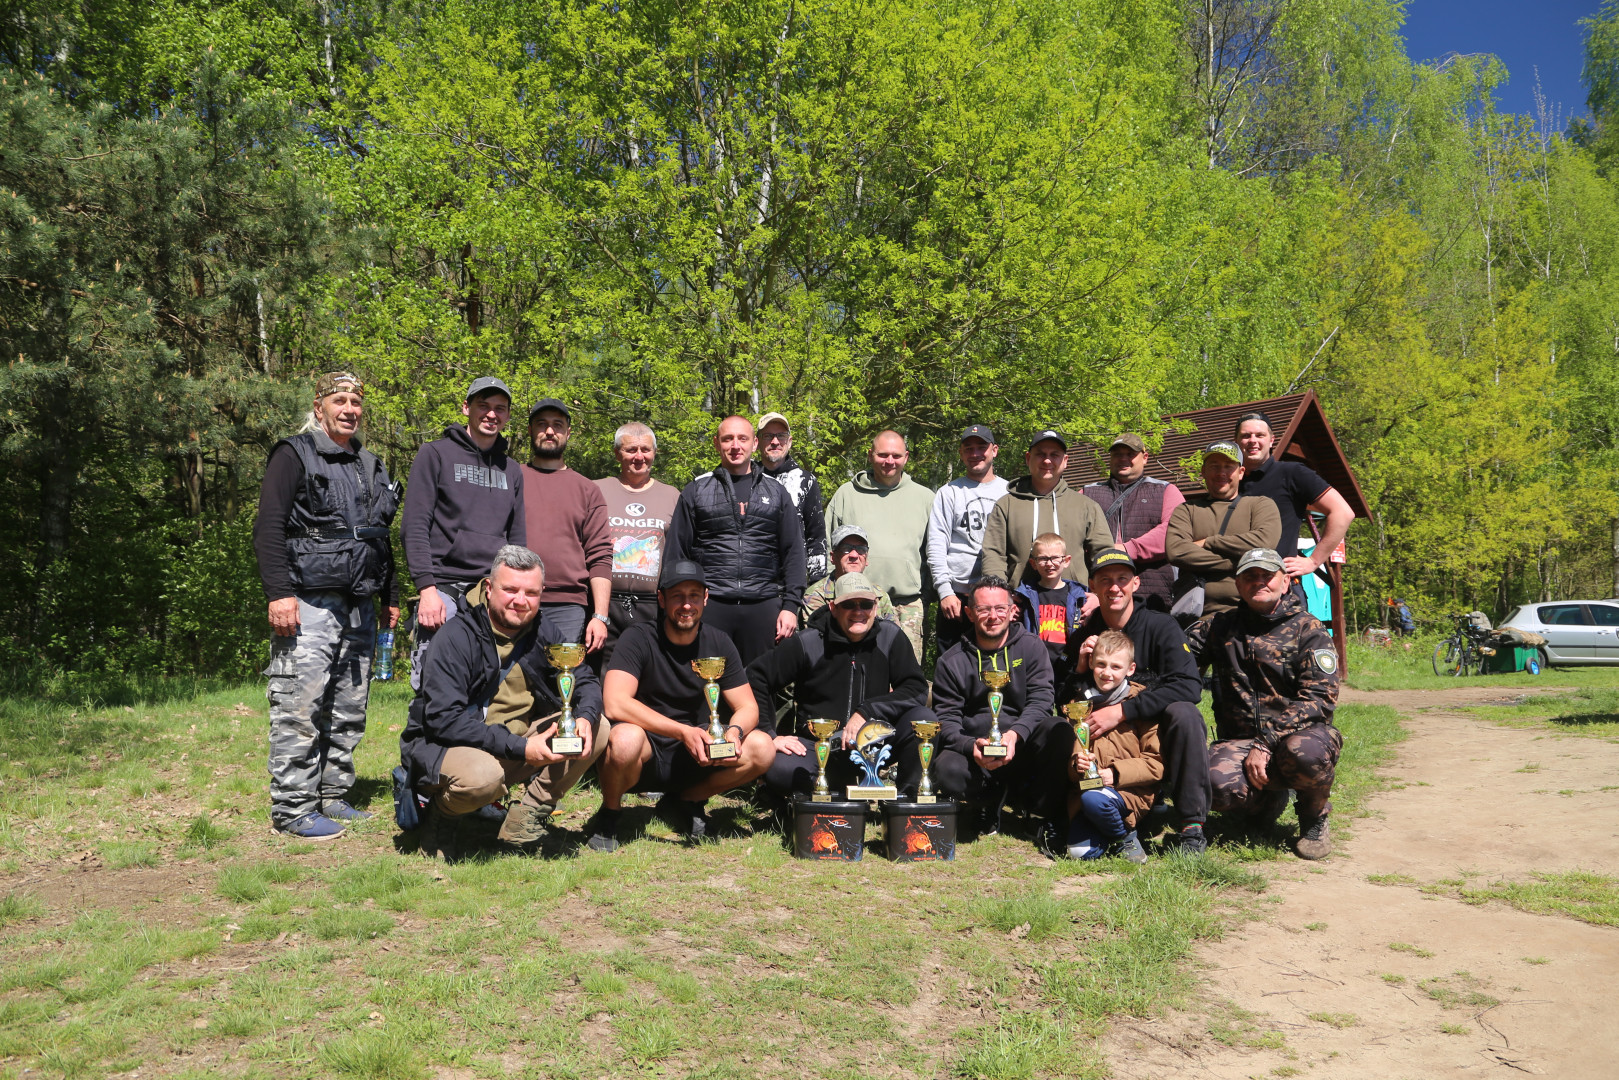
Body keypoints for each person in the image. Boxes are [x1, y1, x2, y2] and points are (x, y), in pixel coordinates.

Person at [253, 372, 400, 841]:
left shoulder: (369, 463)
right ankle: (293, 808)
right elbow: (268, 526)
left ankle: (333, 794)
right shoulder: (292, 454)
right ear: (319, 407)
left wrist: (390, 596)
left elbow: (380, 535)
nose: (349, 409)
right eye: (340, 400)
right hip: (306, 599)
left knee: (348, 706)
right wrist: (278, 593)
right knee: (299, 704)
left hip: (360, 601)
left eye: (356, 401)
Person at [400, 546, 609, 860]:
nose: (520, 601)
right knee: (482, 778)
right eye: (510, 589)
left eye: (531, 593)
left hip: (513, 746)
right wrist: (523, 748)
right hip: (448, 747)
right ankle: (442, 817)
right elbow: (444, 720)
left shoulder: (542, 629)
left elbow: (584, 679)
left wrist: (585, 716)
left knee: (598, 727)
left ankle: (527, 815)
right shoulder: (456, 636)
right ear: (489, 588)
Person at [587, 560, 775, 850]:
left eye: (694, 596)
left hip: (699, 753)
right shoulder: (638, 637)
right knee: (623, 739)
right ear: (661, 599)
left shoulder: (720, 643)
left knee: (763, 748)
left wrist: (734, 732)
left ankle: (686, 801)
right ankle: (610, 813)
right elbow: (614, 703)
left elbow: (748, 707)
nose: (686, 605)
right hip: (646, 750)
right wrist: (681, 732)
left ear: (706, 598)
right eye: (677, 596)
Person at [1188, 549, 1343, 860]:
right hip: (1240, 741)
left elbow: (1320, 698)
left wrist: (1266, 741)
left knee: (1306, 755)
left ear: (1285, 582)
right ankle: (1265, 804)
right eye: (1250, 576)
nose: (1259, 581)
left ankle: (1314, 816)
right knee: (1212, 784)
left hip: (1301, 736)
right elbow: (1177, 658)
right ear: (1238, 584)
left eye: (1267, 575)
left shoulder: (1308, 629)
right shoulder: (1219, 627)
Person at [1066, 549, 1211, 853]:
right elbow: (1065, 702)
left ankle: (1191, 825)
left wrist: (1123, 710)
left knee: (1185, 714)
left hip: (1153, 729)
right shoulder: (1085, 635)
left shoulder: (1162, 626)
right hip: (1108, 745)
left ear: (1136, 583)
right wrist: (1079, 669)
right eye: (1105, 580)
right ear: (1092, 586)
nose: (1114, 587)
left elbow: (1189, 685)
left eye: (1122, 579)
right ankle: (1061, 811)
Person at [749, 572, 930, 800]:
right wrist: (769, 735)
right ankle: (818, 795)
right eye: (849, 604)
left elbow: (916, 688)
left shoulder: (891, 637)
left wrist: (868, 711)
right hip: (817, 748)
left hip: (875, 746)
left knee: (924, 720)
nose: (858, 611)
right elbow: (756, 677)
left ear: (875, 607)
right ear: (833, 608)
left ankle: (907, 802)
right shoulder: (809, 642)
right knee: (779, 768)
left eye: (865, 604)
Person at [401, 376, 527, 687]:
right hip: (443, 591)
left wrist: (516, 592)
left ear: (508, 415)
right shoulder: (435, 454)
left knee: (486, 687)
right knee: (435, 686)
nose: (491, 414)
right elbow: (415, 526)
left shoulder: (511, 470)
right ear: (466, 408)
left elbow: (517, 541)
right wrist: (427, 590)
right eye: (483, 406)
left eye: (500, 408)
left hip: (490, 593)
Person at [666, 416, 806, 665]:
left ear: (754, 443)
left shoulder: (777, 493)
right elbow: (677, 554)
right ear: (716, 443)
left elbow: (793, 553)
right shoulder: (696, 491)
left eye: (742, 438)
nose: (735, 446)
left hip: (764, 605)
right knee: (707, 682)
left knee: (759, 683)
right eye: (727, 439)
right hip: (711, 604)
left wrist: (790, 606)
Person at [931, 575, 1059, 835]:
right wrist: (971, 746)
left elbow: (1042, 701)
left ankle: (1038, 810)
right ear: (969, 613)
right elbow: (946, 718)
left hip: (1022, 746)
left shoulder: (1032, 647)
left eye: (1000, 608)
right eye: (983, 609)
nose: (993, 616)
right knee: (946, 769)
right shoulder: (951, 660)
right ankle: (985, 801)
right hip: (976, 752)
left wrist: (1015, 735)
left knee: (1058, 730)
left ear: (1012, 611)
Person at [824, 431, 936, 659]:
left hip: (907, 605)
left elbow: (934, 553)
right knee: (856, 668)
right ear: (870, 455)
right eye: (882, 455)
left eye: (896, 455)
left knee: (906, 673)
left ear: (906, 457)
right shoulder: (846, 495)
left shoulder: (925, 498)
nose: (889, 461)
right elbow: (828, 549)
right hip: (856, 605)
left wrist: (925, 596)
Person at [521, 398, 613, 649]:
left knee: (560, 673)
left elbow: (600, 555)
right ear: (530, 430)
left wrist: (600, 616)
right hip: (514, 598)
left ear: (568, 432)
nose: (550, 431)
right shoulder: (512, 479)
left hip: (568, 606)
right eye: (542, 424)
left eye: (557, 425)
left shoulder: (587, 490)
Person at [1063, 631, 1159, 864]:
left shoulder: (1142, 703)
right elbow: (1073, 764)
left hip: (1129, 792)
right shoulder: (1078, 705)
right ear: (1091, 664)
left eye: (1116, 667)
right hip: (1087, 791)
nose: (1107, 673)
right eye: (1101, 665)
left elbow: (1155, 764)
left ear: (1130, 669)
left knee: (1096, 799)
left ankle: (1124, 837)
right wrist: (1077, 765)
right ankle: (1106, 830)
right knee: (1079, 853)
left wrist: (1114, 774)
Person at [1165, 441, 1283, 622]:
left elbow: (1264, 542)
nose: (1221, 473)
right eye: (1214, 466)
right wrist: (1242, 563)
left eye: (1228, 466)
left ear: (1241, 472)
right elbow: (1176, 552)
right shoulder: (1187, 510)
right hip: (1197, 617)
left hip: (1252, 616)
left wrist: (1208, 542)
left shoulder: (1260, 505)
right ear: (1203, 471)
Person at [981, 429, 1111, 593]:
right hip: (1020, 602)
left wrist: (1098, 595)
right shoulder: (1006, 505)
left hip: (1074, 602)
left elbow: (1103, 555)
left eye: (1054, 455)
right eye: (1040, 454)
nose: (1047, 460)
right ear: (1028, 458)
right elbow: (994, 554)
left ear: (1065, 461)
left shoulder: (1086, 506)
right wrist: (999, 595)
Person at [1233, 412, 1355, 586]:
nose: (1253, 440)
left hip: (1280, 587)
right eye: (1246, 436)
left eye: (1260, 435)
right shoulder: (1229, 481)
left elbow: (1342, 512)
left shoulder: (1291, 473)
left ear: (1271, 440)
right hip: (1237, 584)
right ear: (1236, 442)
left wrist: (1313, 561)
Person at [595, 422, 680, 665]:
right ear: (617, 453)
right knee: (603, 673)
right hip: (604, 607)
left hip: (652, 607)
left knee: (651, 671)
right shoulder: (596, 489)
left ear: (655, 452)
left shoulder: (672, 496)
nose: (639, 457)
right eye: (631, 450)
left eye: (646, 449)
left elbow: (679, 553)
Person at [928, 425, 1010, 653]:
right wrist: (945, 592)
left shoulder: (1009, 492)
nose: (975, 453)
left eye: (981, 447)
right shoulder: (949, 492)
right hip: (956, 599)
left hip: (997, 598)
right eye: (968, 448)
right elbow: (936, 544)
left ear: (994, 450)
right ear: (961, 454)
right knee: (951, 663)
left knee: (997, 662)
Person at [1081, 433, 1185, 612]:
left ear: (1145, 458)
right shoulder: (1087, 493)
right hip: (1100, 596)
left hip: (1154, 594)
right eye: (1117, 454)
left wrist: (1126, 549)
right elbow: (1073, 534)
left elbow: (1174, 530)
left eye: (1130, 454)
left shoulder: (1166, 490)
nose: (1123, 459)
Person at [756, 412, 829, 587]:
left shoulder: (806, 481)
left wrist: (817, 585)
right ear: (757, 442)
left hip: (793, 584)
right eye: (768, 436)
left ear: (789, 441)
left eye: (781, 436)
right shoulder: (747, 479)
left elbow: (816, 537)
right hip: (754, 583)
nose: (775, 441)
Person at [1012, 533, 1088, 668]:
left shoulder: (1079, 595)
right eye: (1043, 558)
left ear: (1066, 561)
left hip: (1067, 663)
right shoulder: (1025, 595)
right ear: (1033, 563)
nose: (1049, 563)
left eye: (1055, 558)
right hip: (1034, 663)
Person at [802, 525, 898, 625]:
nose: (854, 555)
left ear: (866, 559)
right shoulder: (816, 596)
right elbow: (817, 632)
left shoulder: (880, 595)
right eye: (846, 548)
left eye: (861, 549)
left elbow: (892, 632)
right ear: (833, 557)